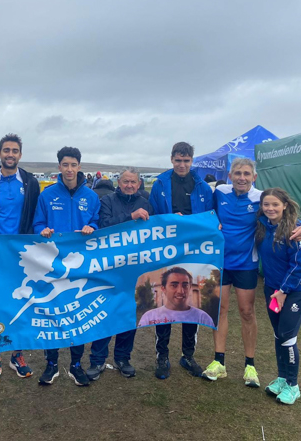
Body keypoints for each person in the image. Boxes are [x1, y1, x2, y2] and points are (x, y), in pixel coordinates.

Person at [203, 158, 301, 388]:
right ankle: (219, 361)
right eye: (237, 173)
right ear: (230, 175)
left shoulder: (261, 198)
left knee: (247, 312)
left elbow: (283, 216)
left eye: (246, 174)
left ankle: (250, 365)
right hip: (219, 263)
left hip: (246, 264)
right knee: (219, 310)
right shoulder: (219, 192)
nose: (241, 178)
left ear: (254, 177)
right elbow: (205, 214)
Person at [0, 133, 40, 385]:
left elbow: (36, 214)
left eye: (14, 150)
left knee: (21, 303)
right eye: (6, 150)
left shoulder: (31, 182)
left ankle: (17, 355)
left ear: (20, 155)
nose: (10, 154)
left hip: (21, 255)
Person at [33, 146, 100, 386]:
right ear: (59, 167)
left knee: (77, 313)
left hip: (80, 266)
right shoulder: (47, 195)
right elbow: (37, 223)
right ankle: (51, 364)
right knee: (52, 312)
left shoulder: (91, 196)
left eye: (73, 165)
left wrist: (93, 227)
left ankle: (76, 364)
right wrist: (42, 230)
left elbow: (97, 223)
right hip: (52, 264)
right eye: (65, 165)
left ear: (79, 166)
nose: (69, 169)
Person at [148, 141, 213, 379]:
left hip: (194, 252)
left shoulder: (203, 187)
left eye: (186, 161)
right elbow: (152, 217)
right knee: (165, 301)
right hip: (166, 251)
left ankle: (188, 355)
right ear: (171, 159)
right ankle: (162, 356)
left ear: (192, 161)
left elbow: (210, 219)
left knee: (191, 301)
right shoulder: (160, 184)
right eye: (178, 160)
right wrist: (170, 220)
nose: (182, 165)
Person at [86, 168, 153, 381]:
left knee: (129, 314)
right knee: (105, 312)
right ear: (119, 182)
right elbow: (103, 225)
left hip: (134, 269)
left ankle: (123, 358)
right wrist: (130, 217)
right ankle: (97, 359)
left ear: (139, 183)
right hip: (110, 268)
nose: (129, 185)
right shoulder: (107, 200)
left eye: (133, 182)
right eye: (126, 181)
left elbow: (155, 231)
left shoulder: (145, 202)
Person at [255, 187, 301, 405]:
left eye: (275, 204)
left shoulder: (296, 230)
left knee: (288, 336)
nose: (270, 208)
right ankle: (281, 378)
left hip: (296, 291)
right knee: (278, 335)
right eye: (266, 204)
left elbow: (300, 266)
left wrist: (283, 291)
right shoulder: (262, 225)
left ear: (285, 205)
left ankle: (293, 385)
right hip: (272, 290)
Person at [138, 267, 215, 327]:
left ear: (190, 288)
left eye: (185, 285)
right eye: (174, 285)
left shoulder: (203, 318)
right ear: (163, 289)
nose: (180, 291)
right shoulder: (149, 318)